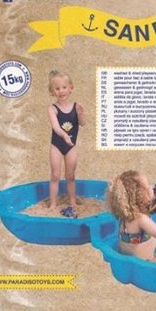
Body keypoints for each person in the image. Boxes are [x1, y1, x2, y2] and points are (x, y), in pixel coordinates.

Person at [47, 69, 87, 217]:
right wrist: (64, 136)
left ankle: (72, 201)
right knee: (55, 175)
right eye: (57, 88)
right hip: (57, 145)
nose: (61, 91)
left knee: (70, 175)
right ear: (52, 92)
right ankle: (53, 203)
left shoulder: (75, 107)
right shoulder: (52, 109)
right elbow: (56, 127)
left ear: (71, 88)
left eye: (64, 87)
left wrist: (81, 114)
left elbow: (82, 123)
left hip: (71, 147)